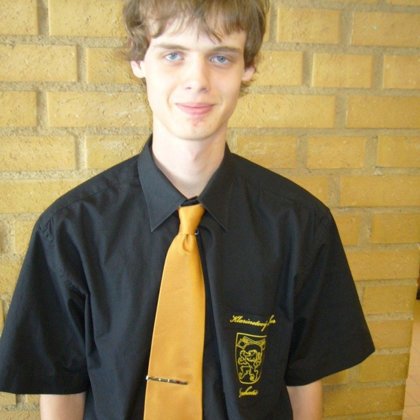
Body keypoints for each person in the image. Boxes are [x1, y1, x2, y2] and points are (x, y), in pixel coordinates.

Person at [0, 0, 374, 419]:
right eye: (173, 55)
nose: (197, 81)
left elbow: (303, 380)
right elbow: (62, 388)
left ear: (248, 67)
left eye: (220, 57)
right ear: (139, 60)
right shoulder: (70, 230)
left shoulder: (301, 226)